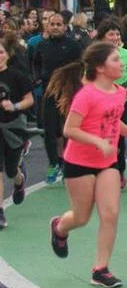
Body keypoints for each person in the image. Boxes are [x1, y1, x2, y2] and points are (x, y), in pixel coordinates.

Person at [47, 41, 127, 288]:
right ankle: (60, 227)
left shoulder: (118, 92)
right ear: (101, 67)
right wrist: (97, 141)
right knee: (82, 217)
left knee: (110, 214)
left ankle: (100, 269)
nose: (121, 63)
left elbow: (113, 120)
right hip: (79, 162)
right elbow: (70, 129)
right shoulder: (86, 95)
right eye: (115, 59)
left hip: (107, 163)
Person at [36, 11, 82, 184]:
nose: (55, 27)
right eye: (52, 24)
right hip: (49, 92)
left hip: (69, 92)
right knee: (49, 129)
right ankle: (54, 163)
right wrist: (37, 78)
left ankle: (69, 164)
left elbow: (81, 66)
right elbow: (35, 64)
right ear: (47, 26)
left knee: (68, 129)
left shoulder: (73, 46)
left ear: (65, 26)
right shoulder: (41, 45)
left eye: (58, 24)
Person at [95, 18, 127, 190]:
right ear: (102, 37)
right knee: (103, 136)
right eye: (111, 34)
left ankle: (119, 171)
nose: (115, 37)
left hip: (122, 100)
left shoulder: (125, 54)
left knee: (118, 136)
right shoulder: (96, 55)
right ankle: (102, 170)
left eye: (117, 34)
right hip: (101, 101)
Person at [0, 41, 35, 228]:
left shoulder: (16, 76)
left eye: (0, 52)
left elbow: (29, 99)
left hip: (13, 125)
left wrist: (13, 106)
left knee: (11, 170)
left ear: (7, 54)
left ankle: (19, 181)